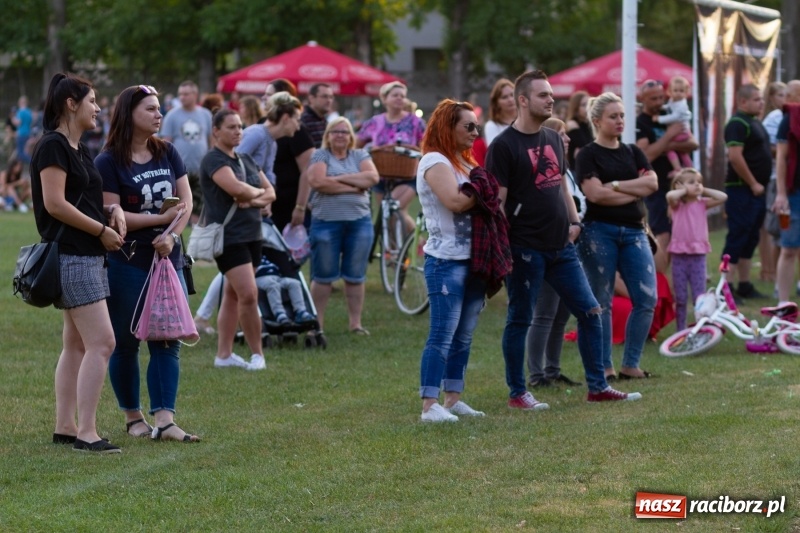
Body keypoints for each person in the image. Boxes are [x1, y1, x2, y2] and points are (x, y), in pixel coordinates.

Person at [487, 71, 641, 406]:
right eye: (543, 95)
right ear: (523, 100)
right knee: (520, 318)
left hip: (562, 246)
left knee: (590, 312)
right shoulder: (503, 146)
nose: (551, 99)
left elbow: (559, 185)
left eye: (551, 94)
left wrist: (574, 221)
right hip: (525, 247)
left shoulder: (554, 139)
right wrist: (501, 250)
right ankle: (518, 392)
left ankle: (597, 387)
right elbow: (496, 204)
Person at [96, 84, 198, 443]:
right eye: (151, 109)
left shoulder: (167, 152)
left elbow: (186, 202)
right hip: (127, 260)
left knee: (168, 338)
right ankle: (132, 417)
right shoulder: (107, 161)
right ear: (129, 114)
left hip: (168, 258)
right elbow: (115, 217)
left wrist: (171, 235)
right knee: (125, 342)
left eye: (158, 108)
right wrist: (158, 221)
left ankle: (166, 420)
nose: (159, 114)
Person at [31, 72, 124, 453]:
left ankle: (66, 426)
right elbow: (55, 205)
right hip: (73, 253)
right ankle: (87, 432)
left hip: (84, 252)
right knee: (103, 342)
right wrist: (101, 231)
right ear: (72, 104)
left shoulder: (79, 148)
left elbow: (78, 199)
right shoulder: (53, 146)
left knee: (77, 345)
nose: (99, 108)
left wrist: (111, 209)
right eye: (92, 101)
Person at [416, 99, 495, 422]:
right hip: (446, 261)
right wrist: (486, 189)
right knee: (442, 334)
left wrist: (483, 187)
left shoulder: (463, 162)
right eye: (468, 126)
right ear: (448, 127)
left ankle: (452, 399)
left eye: (476, 126)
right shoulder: (434, 160)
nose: (475, 133)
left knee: (464, 335)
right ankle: (428, 405)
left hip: (472, 260)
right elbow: (454, 202)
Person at [575, 91, 658, 381]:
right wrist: (634, 191)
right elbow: (594, 194)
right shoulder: (587, 154)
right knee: (603, 301)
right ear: (597, 121)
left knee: (647, 298)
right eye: (613, 116)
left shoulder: (633, 151)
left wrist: (618, 186)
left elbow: (653, 183)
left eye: (622, 115)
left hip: (635, 232)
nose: (620, 120)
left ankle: (630, 363)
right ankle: (606, 366)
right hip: (600, 232)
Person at [201, 108, 275, 370]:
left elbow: (270, 193)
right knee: (248, 294)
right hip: (229, 237)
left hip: (253, 234)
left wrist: (251, 197)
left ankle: (223, 355)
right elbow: (234, 189)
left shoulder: (246, 159)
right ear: (216, 131)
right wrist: (253, 196)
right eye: (231, 127)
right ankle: (258, 355)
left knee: (233, 294)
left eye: (240, 126)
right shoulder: (213, 160)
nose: (238, 131)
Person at [526, 117, 585, 389]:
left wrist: (576, 225)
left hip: (570, 246)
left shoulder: (565, 168)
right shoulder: (543, 168)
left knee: (561, 314)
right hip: (549, 245)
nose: (568, 138)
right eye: (562, 134)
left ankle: (553, 369)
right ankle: (536, 375)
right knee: (544, 312)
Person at [307, 117, 378, 334]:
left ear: (351, 136)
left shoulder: (360, 155)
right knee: (323, 276)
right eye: (335, 131)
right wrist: (354, 185)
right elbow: (318, 182)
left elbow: (373, 178)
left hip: (359, 223)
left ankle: (355, 323)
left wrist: (336, 180)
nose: (340, 135)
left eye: (345, 132)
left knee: (355, 276)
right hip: (326, 223)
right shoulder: (320, 155)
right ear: (327, 135)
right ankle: (316, 324)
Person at [636, 79, 699, 273]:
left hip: (678, 185)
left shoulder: (668, 113)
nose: (658, 102)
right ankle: (659, 279)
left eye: (661, 97)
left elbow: (692, 143)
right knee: (662, 232)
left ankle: (669, 278)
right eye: (653, 98)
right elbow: (646, 155)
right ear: (642, 99)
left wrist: (667, 145)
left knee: (677, 233)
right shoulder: (641, 122)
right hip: (656, 185)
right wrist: (669, 136)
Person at [722, 83, 771, 299]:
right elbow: (735, 156)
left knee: (750, 238)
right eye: (757, 99)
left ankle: (744, 284)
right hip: (742, 190)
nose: (761, 103)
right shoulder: (737, 123)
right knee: (738, 236)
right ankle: (726, 288)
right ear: (743, 101)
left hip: (757, 192)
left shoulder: (754, 122)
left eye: (761, 99)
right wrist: (752, 183)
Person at [356, 81, 426, 233]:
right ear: (384, 98)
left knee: (395, 209)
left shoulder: (415, 122)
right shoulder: (375, 122)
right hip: (380, 175)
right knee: (386, 217)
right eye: (395, 95)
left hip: (407, 175)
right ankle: (394, 252)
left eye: (402, 96)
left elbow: (427, 145)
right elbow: (356, 144)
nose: (400, 98)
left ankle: (416, 243)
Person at [666, 168, 727, 330]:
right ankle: (681, 329)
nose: (697, 185)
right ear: (680, 186)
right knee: (680, 297)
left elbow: (723, 197)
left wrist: (702, 189)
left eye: (699, 182)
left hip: (698, 255)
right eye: (692, 182)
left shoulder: (702, 203)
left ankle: (701, 327)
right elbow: (669, 196)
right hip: (679, 256)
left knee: (700, 296)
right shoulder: (676, 204)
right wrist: (684, 190)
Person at [263, 79, 314, 232]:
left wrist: (300, 206)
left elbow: (308, 169)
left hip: (289, 203)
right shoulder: (262, 125)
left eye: (269, 95)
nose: (264, 98)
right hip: (267, 202)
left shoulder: (296, 129)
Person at [159, 81, 213, 220]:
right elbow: (166, 143)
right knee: (179, 207)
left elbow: (210, 140)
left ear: (195, 95)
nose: (182, 97)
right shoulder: (172, 115)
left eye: (186, 94)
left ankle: (195, 236)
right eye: (180, 94)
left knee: (199, 206)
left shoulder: (206, 114)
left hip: (201, 169)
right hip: (179, 171)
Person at [772, 80, 800, 303]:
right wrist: (781, 193)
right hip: (794, 192)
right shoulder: (788, 119)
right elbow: (781, 158)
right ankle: (782, 302)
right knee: (789, 247)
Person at [760, 81, 789, 285]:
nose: (784, 99)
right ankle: (770, 271)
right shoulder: (775, 118)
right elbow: (769, 148)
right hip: (775, 179)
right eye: (780, 95)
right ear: (771, 98)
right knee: (777, 227)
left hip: (788, 179)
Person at [254, 255, 316, 325]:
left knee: (295, 283)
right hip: (260, 278)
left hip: (277, 276)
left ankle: (301, 311)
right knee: (273, 285)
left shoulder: (269, 253)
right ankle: (279, 314)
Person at [654, 76, 694, 175]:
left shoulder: (682, 104)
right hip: (683, 131)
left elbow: (675, 116)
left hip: (682, 132)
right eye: (675, 90)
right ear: (670, 91)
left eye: (681, 91)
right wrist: (662, 107)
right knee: (682, 152)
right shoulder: (673, 100)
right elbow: (669, 107)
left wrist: (659, 119)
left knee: (668, 148)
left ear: (686, 92)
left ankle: (677, 168)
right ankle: (690, 168)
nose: (678, 93)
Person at [301, 83, 334, 148]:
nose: (329, 100)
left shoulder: (323, 120)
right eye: (325, 96)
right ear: (311, 98)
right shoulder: (303, 120)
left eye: (331, 97)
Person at [565, 90, 593, 169]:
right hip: (576, 169)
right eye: (584, 105)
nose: (588, 108)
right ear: (576, 108)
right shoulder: (572, 124)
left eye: (589, 104)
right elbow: (585, 145)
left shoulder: (588, 124)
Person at [484, 78, 516, 145]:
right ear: (496, 102)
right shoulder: (492, 125)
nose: (510, 99)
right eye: (504, 97)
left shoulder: (525, 121)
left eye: (512, 95)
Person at [12, 95, 33, 164]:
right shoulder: (29, 111)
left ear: (20, 103)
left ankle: (33, 162)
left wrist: (13, 119)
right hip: (28, 133)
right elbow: (31, 122)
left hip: (21, 134)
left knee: (20, 153)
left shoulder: (20, 112)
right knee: (24, 152)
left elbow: (18, 122)